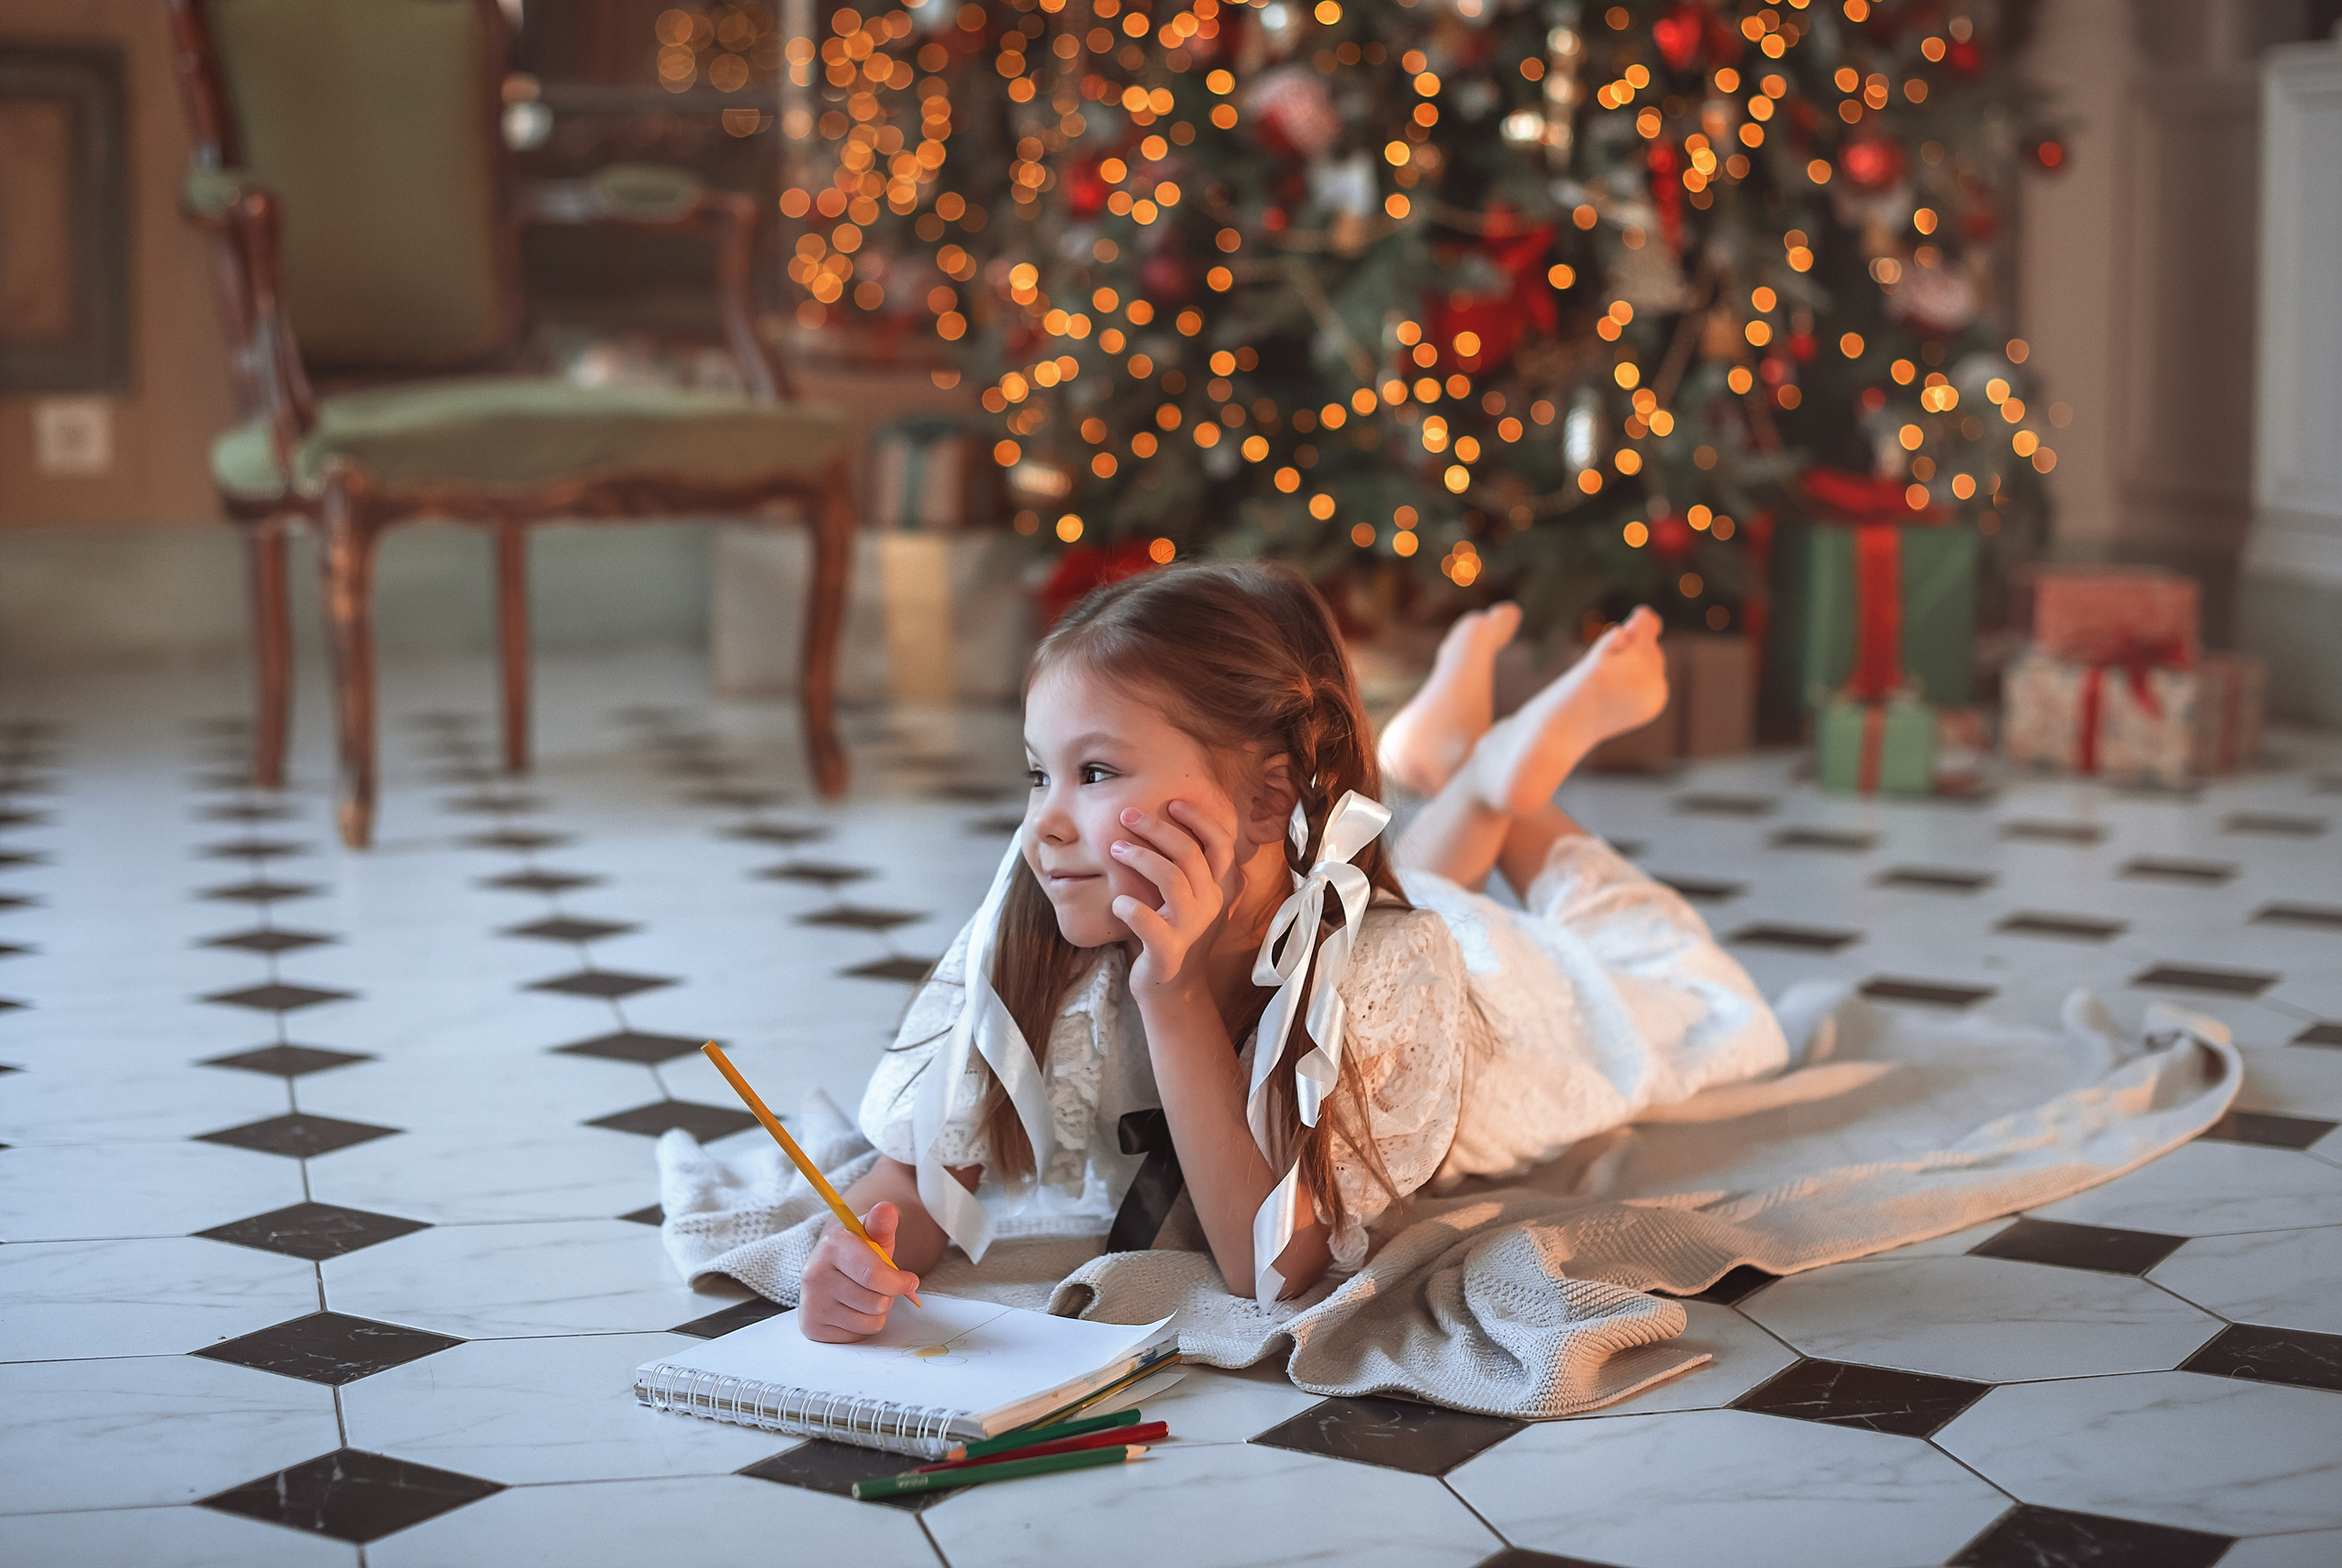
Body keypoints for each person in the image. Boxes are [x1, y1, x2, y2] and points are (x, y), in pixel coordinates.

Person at [796, 561, 1788, 1342]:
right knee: (1399, 893)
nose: (1043, 825)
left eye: (1093, 771)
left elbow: (1270, 1269)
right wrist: (861, 1251)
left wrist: (1172, 996)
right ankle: (1463, 772)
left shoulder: (1396, 969)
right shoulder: (1050, 905)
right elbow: (915, 1175)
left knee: (1701, 1001)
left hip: (1505, 1004)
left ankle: (1501, 786)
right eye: (1037, 774)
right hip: (1324, 905)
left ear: (1270, 799)